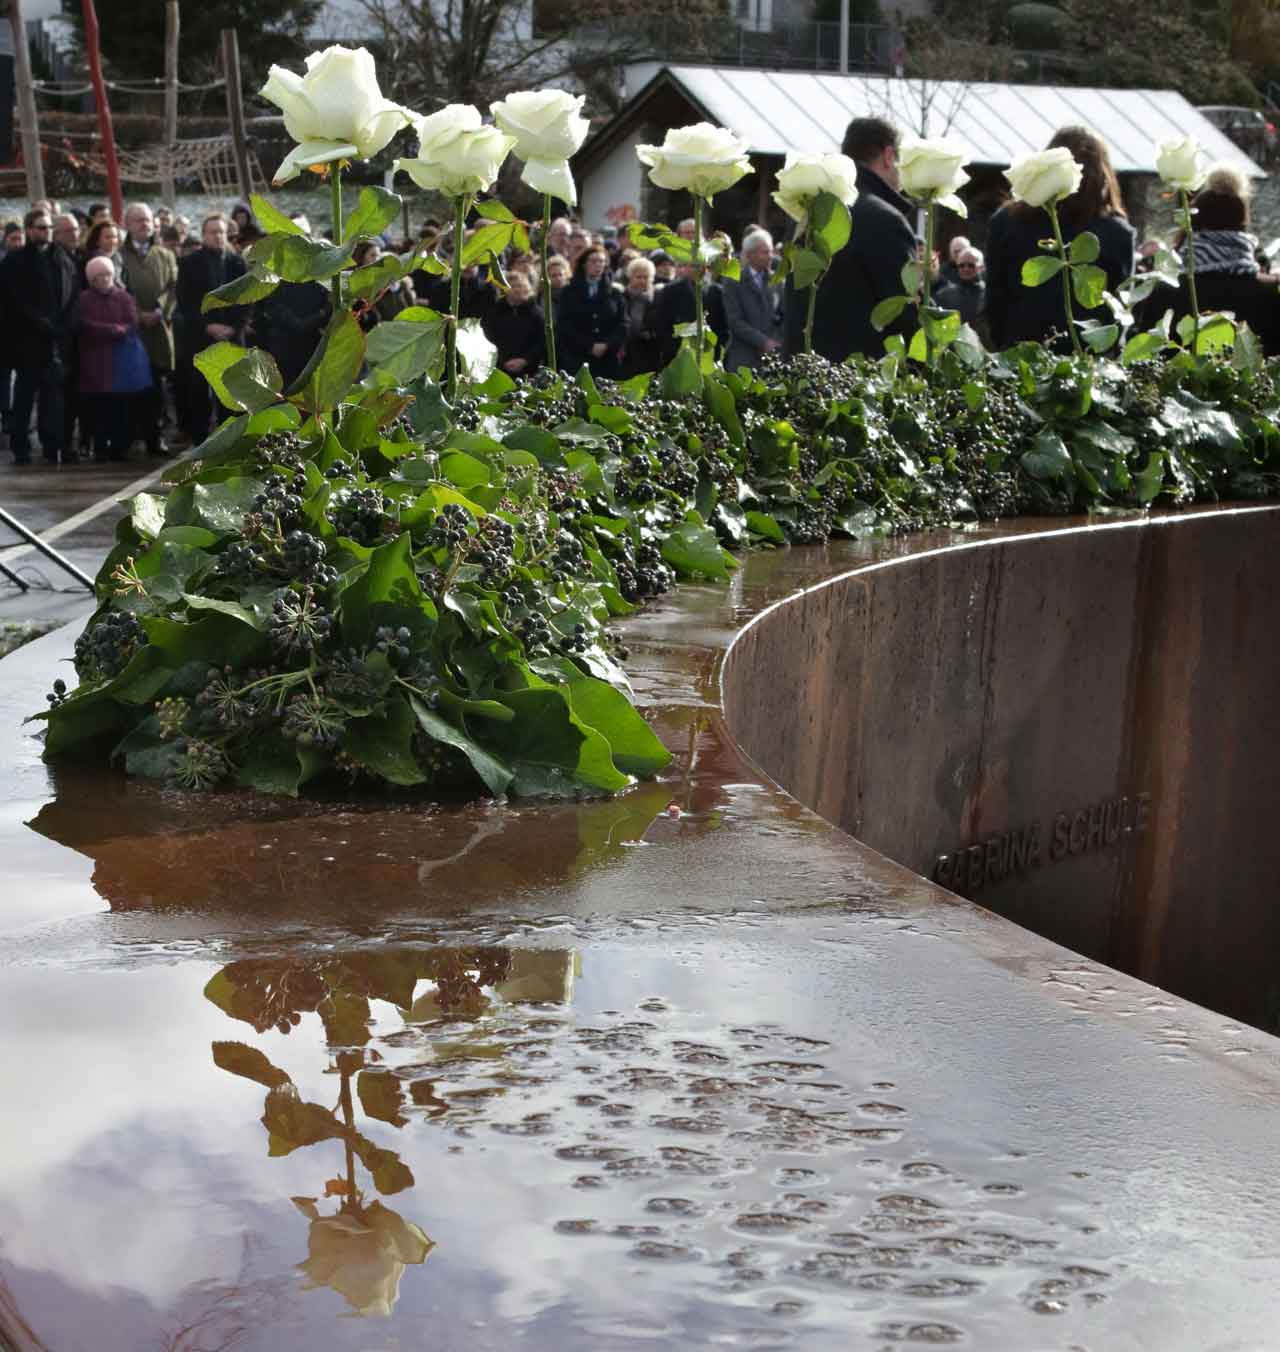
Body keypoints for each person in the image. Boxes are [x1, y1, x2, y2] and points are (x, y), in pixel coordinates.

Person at [985, 126, 1135, 351]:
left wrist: (1004, 344)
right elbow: (1119, 310)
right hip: (1088, 360)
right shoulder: (1116, 233)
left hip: (1020, 354)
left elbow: (995, 301)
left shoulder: (1006, 222)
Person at [784, 115, 916, 360]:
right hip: (859, 382)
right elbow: (905, 315)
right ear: (888, 156)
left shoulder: (807, 213)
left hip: (803, 373)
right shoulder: (885, 220)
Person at [1137, 164, 1280, 354]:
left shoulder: (1165, 291)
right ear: (1243, 226)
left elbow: (1142, 359)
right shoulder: (1271, 293)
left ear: (1193, 225)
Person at [1, 207, 78, 465]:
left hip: (58, 339)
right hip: (27, 342)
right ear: (29, 230)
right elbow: (14, 300)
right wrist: (40, 322)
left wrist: (62, 325)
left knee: (53, 398)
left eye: (48, 227)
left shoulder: (63, 257)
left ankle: (51, 445)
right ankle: (21, 447)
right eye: (41, 227)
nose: (46, 232)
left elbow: (71, 293)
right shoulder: (15, 261)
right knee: (24, 397)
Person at [174, 214, 248, 447]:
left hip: (232, 337)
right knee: (199, 392)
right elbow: (185, 302)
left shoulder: (237, 262)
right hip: (200, 336)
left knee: (231, 391)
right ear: (204, 235)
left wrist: (233, 327)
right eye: (212, 232)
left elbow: (247, 299)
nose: (218, 236)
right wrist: (207, 326)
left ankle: (230, 440)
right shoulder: (189, 263)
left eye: (221, 232)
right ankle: (201, 442)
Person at [122, 201, 178, 455]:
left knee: (158, 387)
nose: (144, 224)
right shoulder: (120, 255)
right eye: (138, 220)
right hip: (130, 332)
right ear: (127, 225)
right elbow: (118, 288)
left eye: (147, 220)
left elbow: (174, 288)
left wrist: (159, 311)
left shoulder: (165, 254)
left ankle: (157, 439)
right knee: (132, 388)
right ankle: (131, 437)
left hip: (158, 331)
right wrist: (135, 313)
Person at [73, 256, 142, 461]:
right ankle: (99, 446)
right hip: (94, 360)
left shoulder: (123, 297)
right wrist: (110, 330)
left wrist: (121, 330)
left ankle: (120, 446)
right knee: (98, 407)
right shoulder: (84, 299)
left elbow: (132, 322)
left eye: (107, 275)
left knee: (120, 406)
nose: (103, 280)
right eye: (98, 277)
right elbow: (83, 324)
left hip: (119, 360)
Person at [555, 244, 625, 377]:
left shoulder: (614, 293)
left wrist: (607, 344)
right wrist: (588, 346)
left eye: (601, 261)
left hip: (608, 360)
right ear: (584, 264)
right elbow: (564, 324)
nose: (598, 265)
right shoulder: (569, 292)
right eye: (593, 261)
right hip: (577, 359)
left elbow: (623, 322)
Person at [722, 229, 782, 372]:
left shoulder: (778, 281)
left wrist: (776, 342)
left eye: (771, 251)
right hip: (743, 359)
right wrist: (763, 342)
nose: (770, 256)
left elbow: (784, 316)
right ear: (750, 254)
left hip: (773, 360)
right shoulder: (733, 281)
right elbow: (735, 321)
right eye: (765, 252)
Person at [254, 280, 332, 387]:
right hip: (287, 351)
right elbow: (299, 325)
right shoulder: (319, 281)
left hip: (308, 350)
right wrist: (322, 314)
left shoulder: (320, 283)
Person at [483, 268, 545, 376]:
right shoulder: (494, 313)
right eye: (513, 286)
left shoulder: (536, 313)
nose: (517, 290)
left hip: (530, 370)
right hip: (500, 369)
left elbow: (542, 341)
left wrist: (525, 360)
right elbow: (489, 339)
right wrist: (503, 361)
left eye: (520, 286)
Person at [352, 241, 415, 329]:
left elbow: (411, 309)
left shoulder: (399, 285)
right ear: (362, 257)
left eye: (378, 255)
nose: (377, 259)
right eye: (373, 255)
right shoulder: (356, 282)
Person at [619, 256, 661, 376]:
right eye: (638, 277)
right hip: (626, 353)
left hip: (650, 352)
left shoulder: (658, 298)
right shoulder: (622, 297)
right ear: (630, 277)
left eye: (646, 277)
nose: (642, 280)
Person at [933, 246, 986, 327]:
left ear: (982, 267)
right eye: (961, 265)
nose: (966, 269)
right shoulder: (944, 295)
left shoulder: (989, 296)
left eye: (971, 265)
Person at [82, 218, 127, 289]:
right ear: (97, 240)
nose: (112, 240)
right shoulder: (88, 260)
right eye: (108, 237)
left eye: (115, 237)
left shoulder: (118, 257)